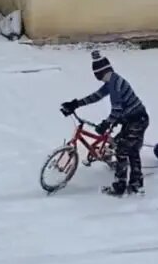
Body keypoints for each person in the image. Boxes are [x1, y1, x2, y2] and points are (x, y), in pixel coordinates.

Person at [60, 50, 150, 196]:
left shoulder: (115, 85)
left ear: (100, 73)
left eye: (97, 74)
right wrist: (76, 103)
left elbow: (117, 109)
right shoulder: (112, 81)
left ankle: (120, 186)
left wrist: (107, 123)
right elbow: (97, 96)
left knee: (122, 149)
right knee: (132, 151)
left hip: (137, 120)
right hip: (135, 119)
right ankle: (136, 184)